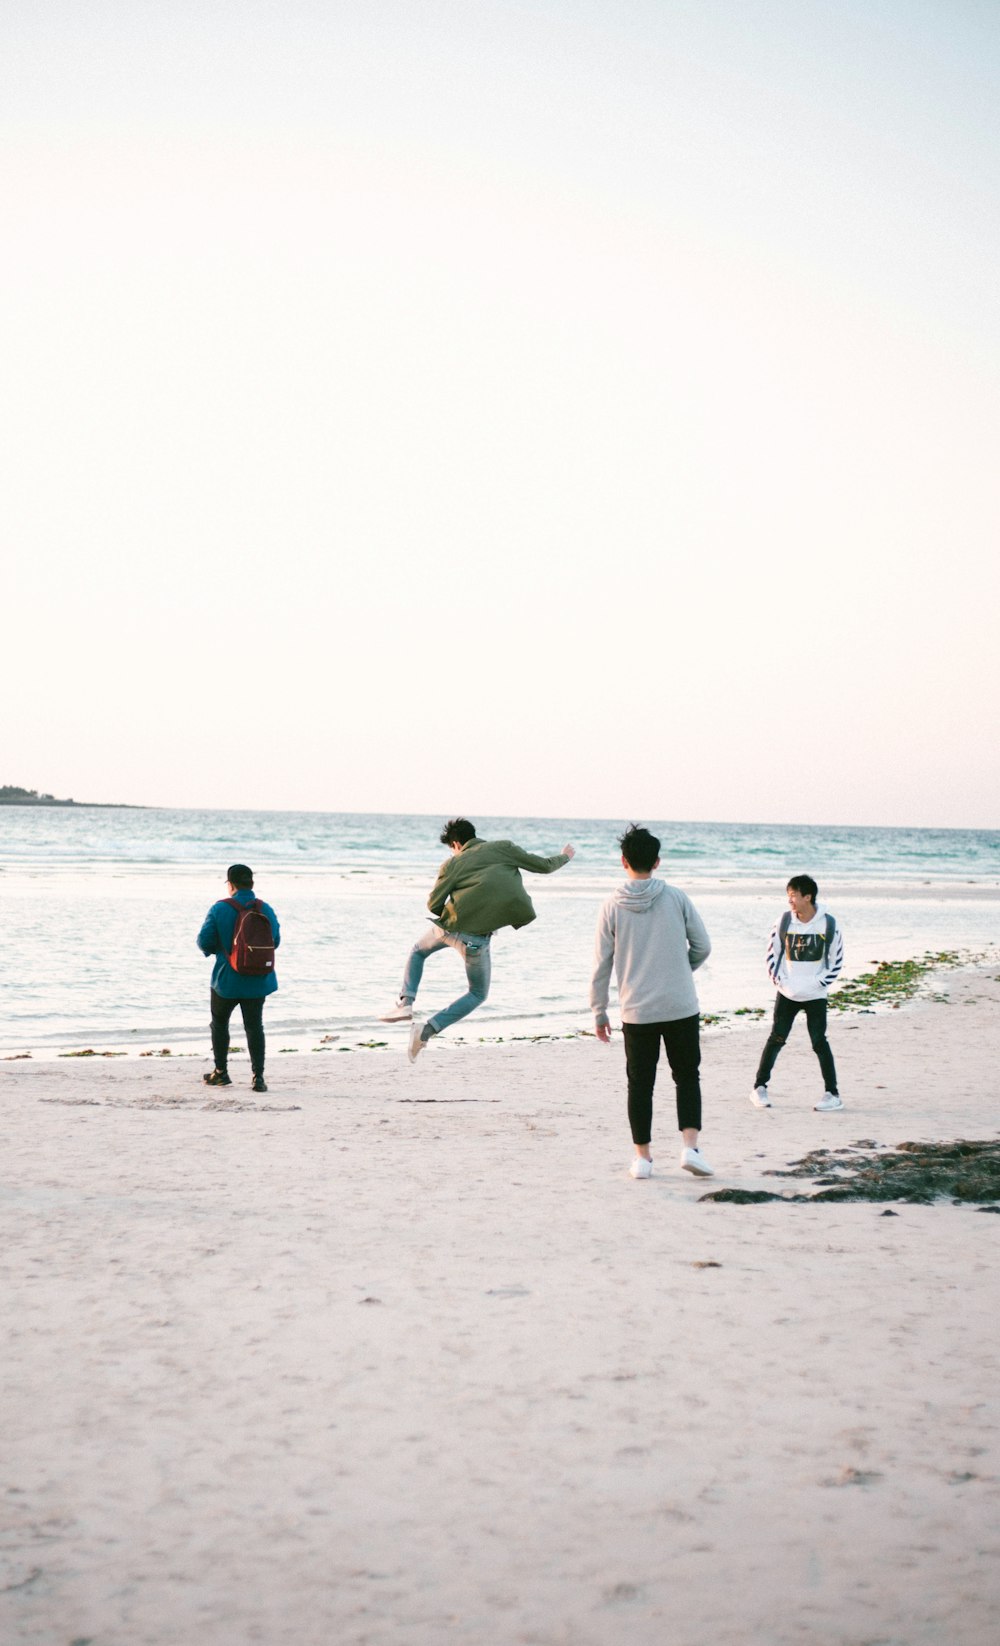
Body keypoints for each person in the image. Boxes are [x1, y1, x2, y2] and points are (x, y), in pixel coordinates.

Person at [380, 818, 575, 1060]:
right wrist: (565, 856)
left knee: (418, 951)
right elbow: (544, 866)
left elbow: (433, 904)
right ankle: (426, 1031)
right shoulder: (503, 848)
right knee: (477, 994)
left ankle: (406, 1003)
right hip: (475, 941)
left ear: (456, 843)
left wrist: (456, 912)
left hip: (447, 929)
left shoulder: (452, 863)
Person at [591, 825, 714, 1179]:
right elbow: (702, 946)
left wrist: (599, 1011)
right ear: (657, 862)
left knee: (640, 1084)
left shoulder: (611, 906)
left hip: (637, 1010)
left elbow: (601, 964)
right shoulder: (676, 898)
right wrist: (679, 970)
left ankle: (642, 1159)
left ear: (623, 861)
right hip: (680, 1005)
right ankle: (690, 1148)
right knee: (687, 1076)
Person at [751, 874, 844, 1112]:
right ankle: (759, 1088)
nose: (790, 900)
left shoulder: (829, 924)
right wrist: (781, 982)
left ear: (808, 897)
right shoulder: (783, 921)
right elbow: (771, 955)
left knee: (819, 1042)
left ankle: (832, 1094)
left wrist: (819, 983)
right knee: (776, 1039)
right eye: (788, 895)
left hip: (815, 995)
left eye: (793, 895)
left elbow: (837, 961)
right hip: (787, 992)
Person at [197, 864, 280, 1093]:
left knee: (220, 1024)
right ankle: (258, 1078)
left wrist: (223, 952)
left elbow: (204, 941)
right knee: (254, 1026)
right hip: (258, 980)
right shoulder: (266, 909)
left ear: (230, 884)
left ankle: (221, 1073)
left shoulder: (220, 908)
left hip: (227, 979)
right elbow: (276, 940)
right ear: (251, 883)